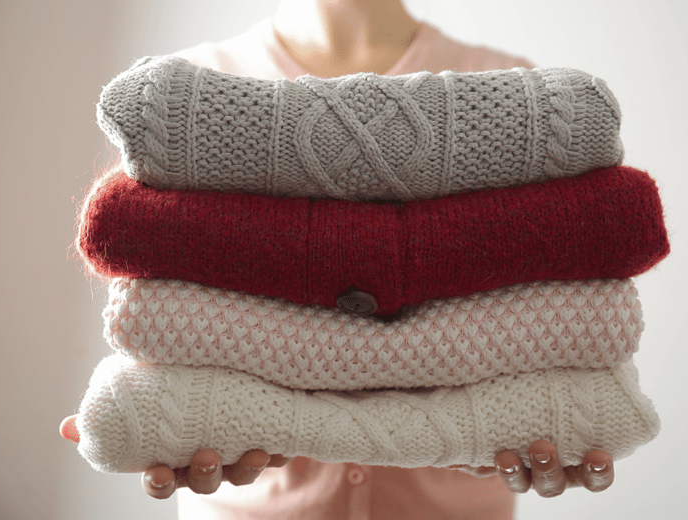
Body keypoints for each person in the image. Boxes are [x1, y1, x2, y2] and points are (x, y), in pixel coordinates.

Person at [60, 0, 615, 517]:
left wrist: (559, 419)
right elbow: (161, 326)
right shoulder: (184, 99)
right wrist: (166, 422)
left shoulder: (519, 95)